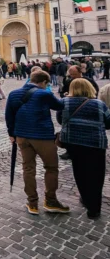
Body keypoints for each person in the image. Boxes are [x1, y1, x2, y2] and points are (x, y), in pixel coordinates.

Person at [5, 70, 68, 215]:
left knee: (28, 168)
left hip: (21, 135)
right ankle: (50, 201)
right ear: (44, 82)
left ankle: (32, 203)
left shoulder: (14, 94)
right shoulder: (45, 93)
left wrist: (11, 134)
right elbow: (59, 106)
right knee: (51, 168)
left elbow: (9, 115)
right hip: (42, 136)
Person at [57, 79, 110, 219]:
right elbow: (109, 123)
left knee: (80, 172)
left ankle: (86, 199)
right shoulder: (99, 104)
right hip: (96, 143)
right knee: (97, 175)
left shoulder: (64, 102)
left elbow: (59, 119)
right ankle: (94, 209)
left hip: (74, 142)